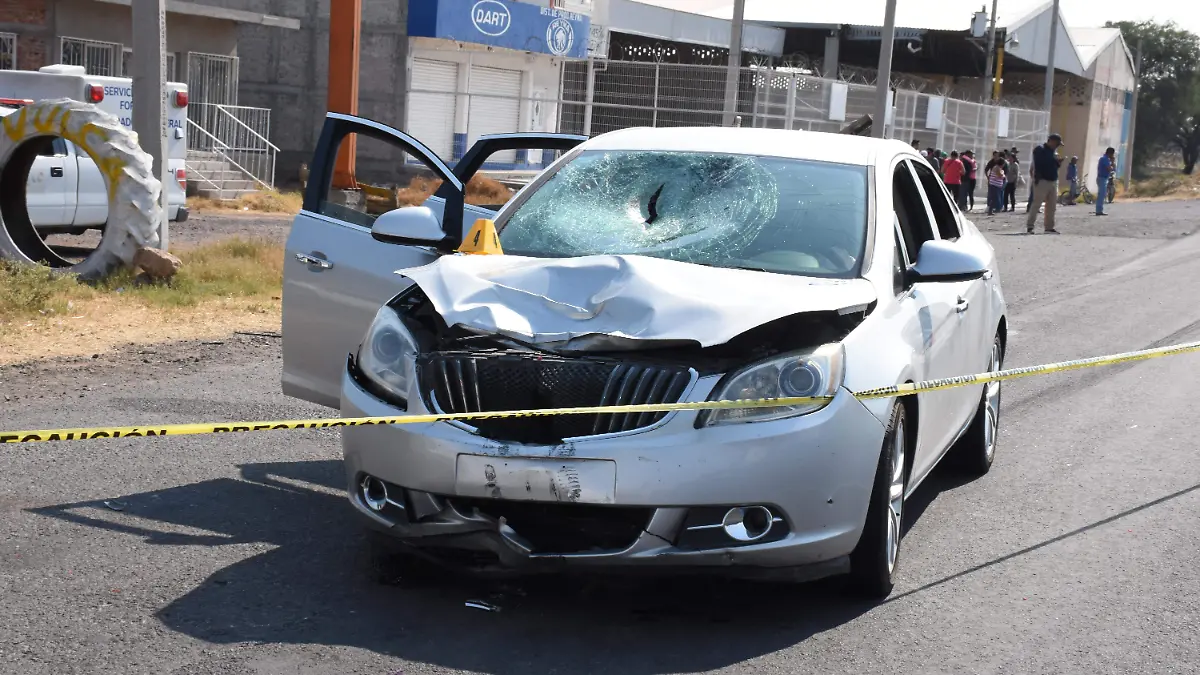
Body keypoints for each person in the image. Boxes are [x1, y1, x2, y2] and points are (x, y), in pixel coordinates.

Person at [1027, 133, 1063, 233]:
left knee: (1052, 206)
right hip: (1042, 180)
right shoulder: (1040, 149)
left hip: (1053, 180)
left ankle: (1049, 227)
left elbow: (1054, 166)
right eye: (1056, 143)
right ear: (1051, 141)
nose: (1057, 146)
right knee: (1036, 204)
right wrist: (1053, 159)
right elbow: (1040, 163)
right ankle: (1030, 226)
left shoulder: (1053, 152)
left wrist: (1058, 162)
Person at [1096, 147, 1116, 215]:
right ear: (1110, 153)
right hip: (1102, 178)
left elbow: (1113, 170)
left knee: (1103, 194)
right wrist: (1112, 162)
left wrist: (1112, 163)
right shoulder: (1104, 159)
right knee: (1101, 195)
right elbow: (1110, 169)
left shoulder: (1106, 159)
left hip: (1104, 178)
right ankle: (1099, 210)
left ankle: (1099, 209)